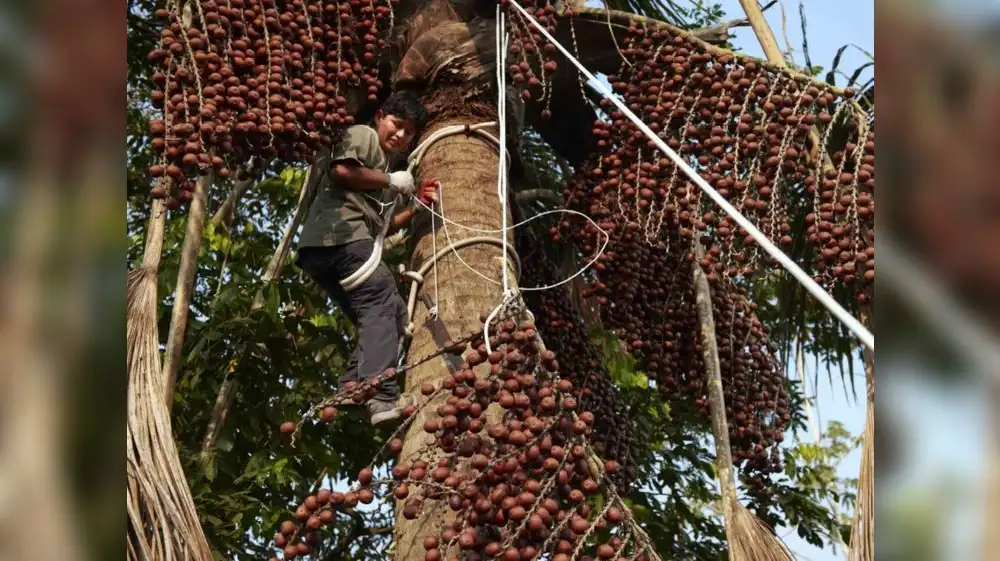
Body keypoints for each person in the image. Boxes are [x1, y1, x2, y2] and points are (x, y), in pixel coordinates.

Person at [296, 91, 436, 427]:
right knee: (382, 301)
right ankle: (381, 395)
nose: (400, 135)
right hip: (340, 239)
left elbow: (382, 228)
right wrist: (391, 180)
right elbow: (341, 171)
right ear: (379, 116)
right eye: (396, 124)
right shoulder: (363, 135)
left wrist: (414, 205)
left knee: (395, 318)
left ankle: (352, 384)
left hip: (325, 254)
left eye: (409, 132)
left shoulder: (385, 174)